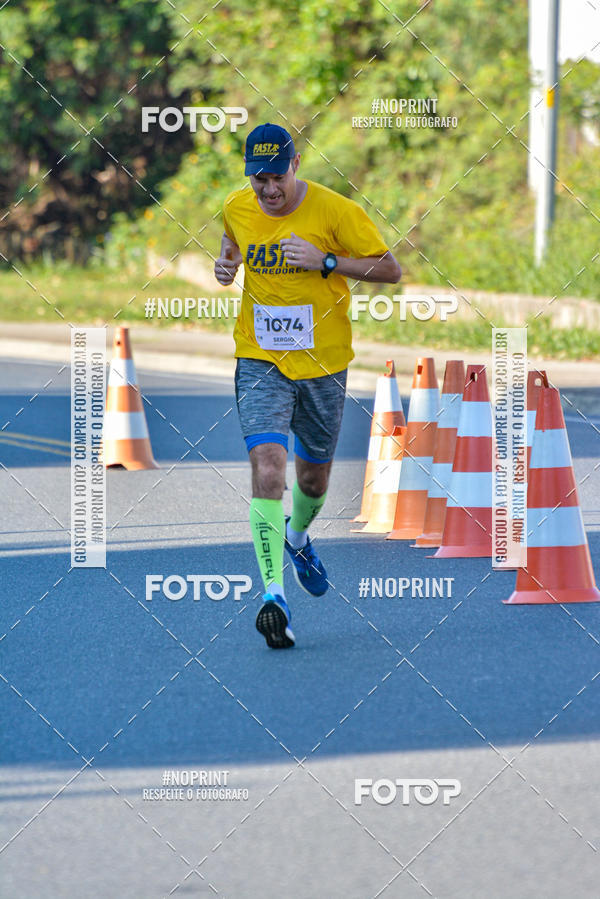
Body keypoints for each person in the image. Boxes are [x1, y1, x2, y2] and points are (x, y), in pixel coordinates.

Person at [214, 122, 401, 649]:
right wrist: (227, 264)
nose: (268, 191)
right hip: (260, 359)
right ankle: (273, 593)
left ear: (296, 166)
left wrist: (325, 262)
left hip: (323, 363)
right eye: (258, 181)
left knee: (313, 480)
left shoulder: (334, 211)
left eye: (276, 177)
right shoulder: (237, 206)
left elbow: (390, 269)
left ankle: (298, 538)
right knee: (267, 466)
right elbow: (232, 240)